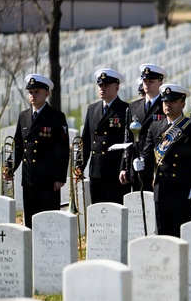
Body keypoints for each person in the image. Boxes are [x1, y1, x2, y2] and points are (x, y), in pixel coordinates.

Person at [134, 84, 191, 237]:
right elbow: (148, 152)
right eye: (165, 101)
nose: (168, 105)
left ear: (182, 103)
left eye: (172, 101)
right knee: (163, 233)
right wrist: (141, 161)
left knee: (180, 234)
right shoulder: (155, 126)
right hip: (161, 189)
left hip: (183, 189)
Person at [8, 74, 69, 227]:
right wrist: (9, 168)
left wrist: (60, 177)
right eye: (31, 92)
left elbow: (62, 149)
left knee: (49, 221)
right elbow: (18, 147)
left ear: (46, 93)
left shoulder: (56, 117)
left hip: (48, 180)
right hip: (29, 179)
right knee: (30, 220)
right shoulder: (23, 117)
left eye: (37, 92)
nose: (33, 95)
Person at [78, 68, 129, 205]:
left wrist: (125, 168)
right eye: (100, 85)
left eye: (106, 85)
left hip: (115, 172)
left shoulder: (125, 110)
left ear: (116, 87)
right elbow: (86, 141)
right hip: (96, 171)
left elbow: (128, 143)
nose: (102, 88)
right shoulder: (92, 109)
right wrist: (80, 166)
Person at [120, 63, 167, 193]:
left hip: (157, 166)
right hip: (137, 164)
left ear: (160, 82)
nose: (146, 84)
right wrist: (124, 167)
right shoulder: (133, 107)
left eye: (151, 81)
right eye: (145, 81)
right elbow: (127, 140)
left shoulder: (167, 105)